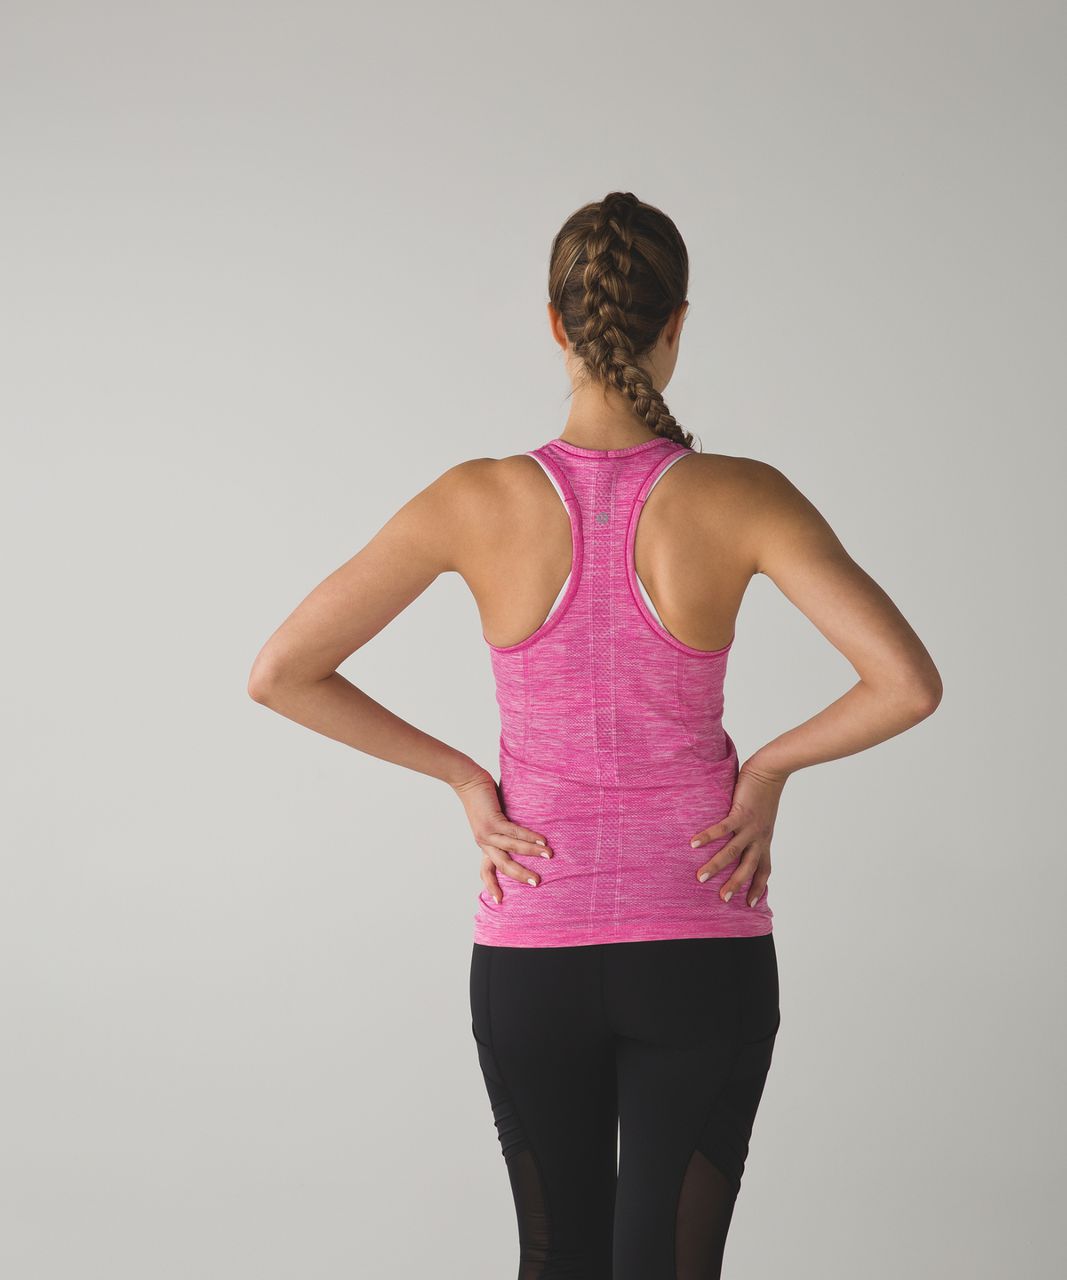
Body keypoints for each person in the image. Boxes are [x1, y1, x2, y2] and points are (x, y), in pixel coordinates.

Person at [248, 190, 943, 1278]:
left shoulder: (474, 500)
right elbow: (904, 684)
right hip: (700, 944)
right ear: (676, 325)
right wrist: (765, 769)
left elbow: (280, 672)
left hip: (531, 950)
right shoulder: (742, 497)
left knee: (556, 1258)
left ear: (555, 325)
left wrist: (465, 780)